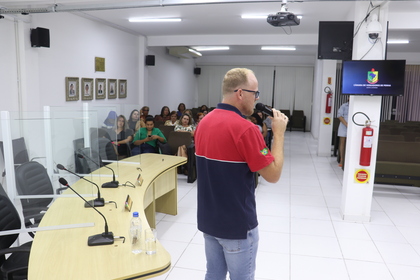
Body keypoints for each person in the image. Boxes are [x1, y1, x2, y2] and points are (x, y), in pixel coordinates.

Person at [195, 68, 288, 280]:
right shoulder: (247, 129)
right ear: (240, 93)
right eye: (255, 93)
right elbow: (273, 175)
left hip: (209, 220)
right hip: (237, 225)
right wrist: (279, 134)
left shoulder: (204, 122)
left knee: (213, 275)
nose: (257, 99)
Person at [337, 98, 349, 167]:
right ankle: (342, 159)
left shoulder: (356, 105)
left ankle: (348, 160)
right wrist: (346, 124)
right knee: (342, 143)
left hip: (353, 127)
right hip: (343, 126)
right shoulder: (344, 106)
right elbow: (339, 116)